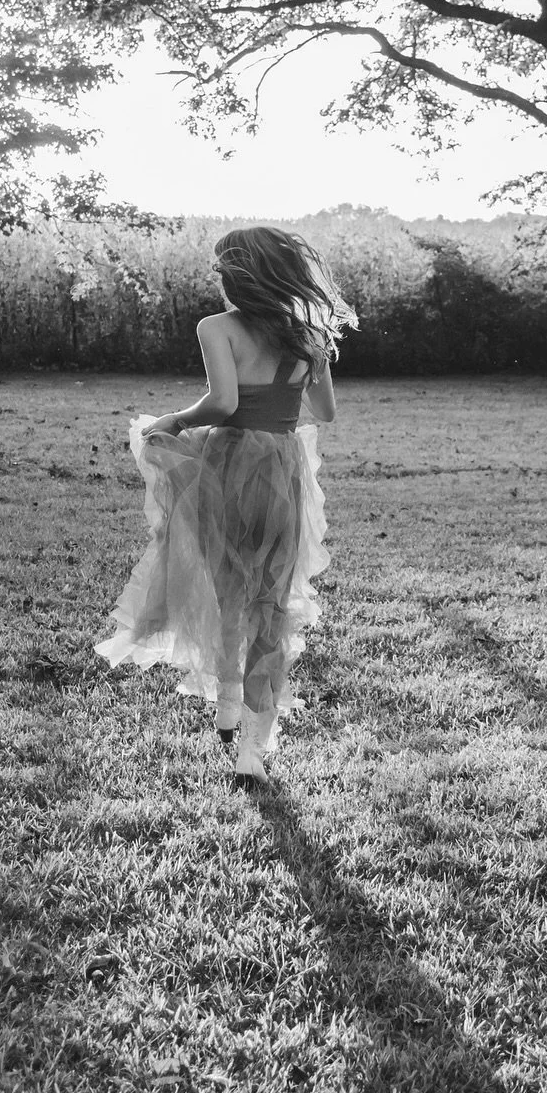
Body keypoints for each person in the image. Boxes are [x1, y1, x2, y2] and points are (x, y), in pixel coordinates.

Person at [95, 226, 356, 782]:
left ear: (238, 276)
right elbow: (326, 414)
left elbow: (223, 402)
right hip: (283, 472)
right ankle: (253, 752)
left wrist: (175, 422)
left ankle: (227, 706)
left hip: (227, 466)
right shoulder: (309, 334)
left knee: (226, 593)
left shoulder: (216, 327)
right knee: (271, 604)